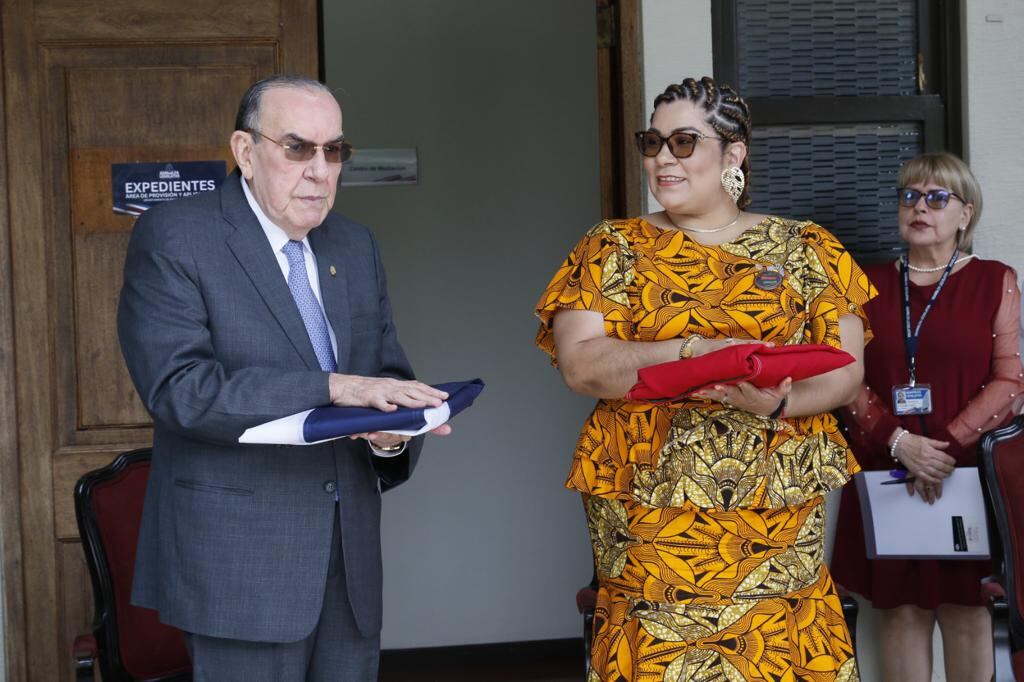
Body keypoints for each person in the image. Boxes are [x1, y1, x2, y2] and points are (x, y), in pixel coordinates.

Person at [534, 76, 873, 681]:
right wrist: (693, 349)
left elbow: (845, 373)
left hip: (774, 509)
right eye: (653, 142)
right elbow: (581, 365)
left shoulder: (807, 249)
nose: (663, 157)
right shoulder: (612, 247)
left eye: (684, 142)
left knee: (779, 651)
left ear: (733, 153)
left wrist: (773, 407)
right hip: (650, 505)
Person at [117, 74, 449, 681]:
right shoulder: (177, 236)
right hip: (240, 565)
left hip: (350, 566)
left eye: (334, 151)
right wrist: (334, 388)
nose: (320, 170)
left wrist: (394, 432)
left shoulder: (353, 245)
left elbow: (385, 376)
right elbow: (181, 391)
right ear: (246, 153)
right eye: (298, 148)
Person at [831, 152, 1022, 682]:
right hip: (885, 471)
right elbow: (847, 380)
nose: (920, 207)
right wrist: (900, 443)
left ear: (966, 213)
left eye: (937, 198)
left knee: (967, 612)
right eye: (910, 195)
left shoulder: (994, 280)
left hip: (965, 475)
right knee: (899, 613)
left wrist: (940, 449)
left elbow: (1010, 382)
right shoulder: (861, 284)